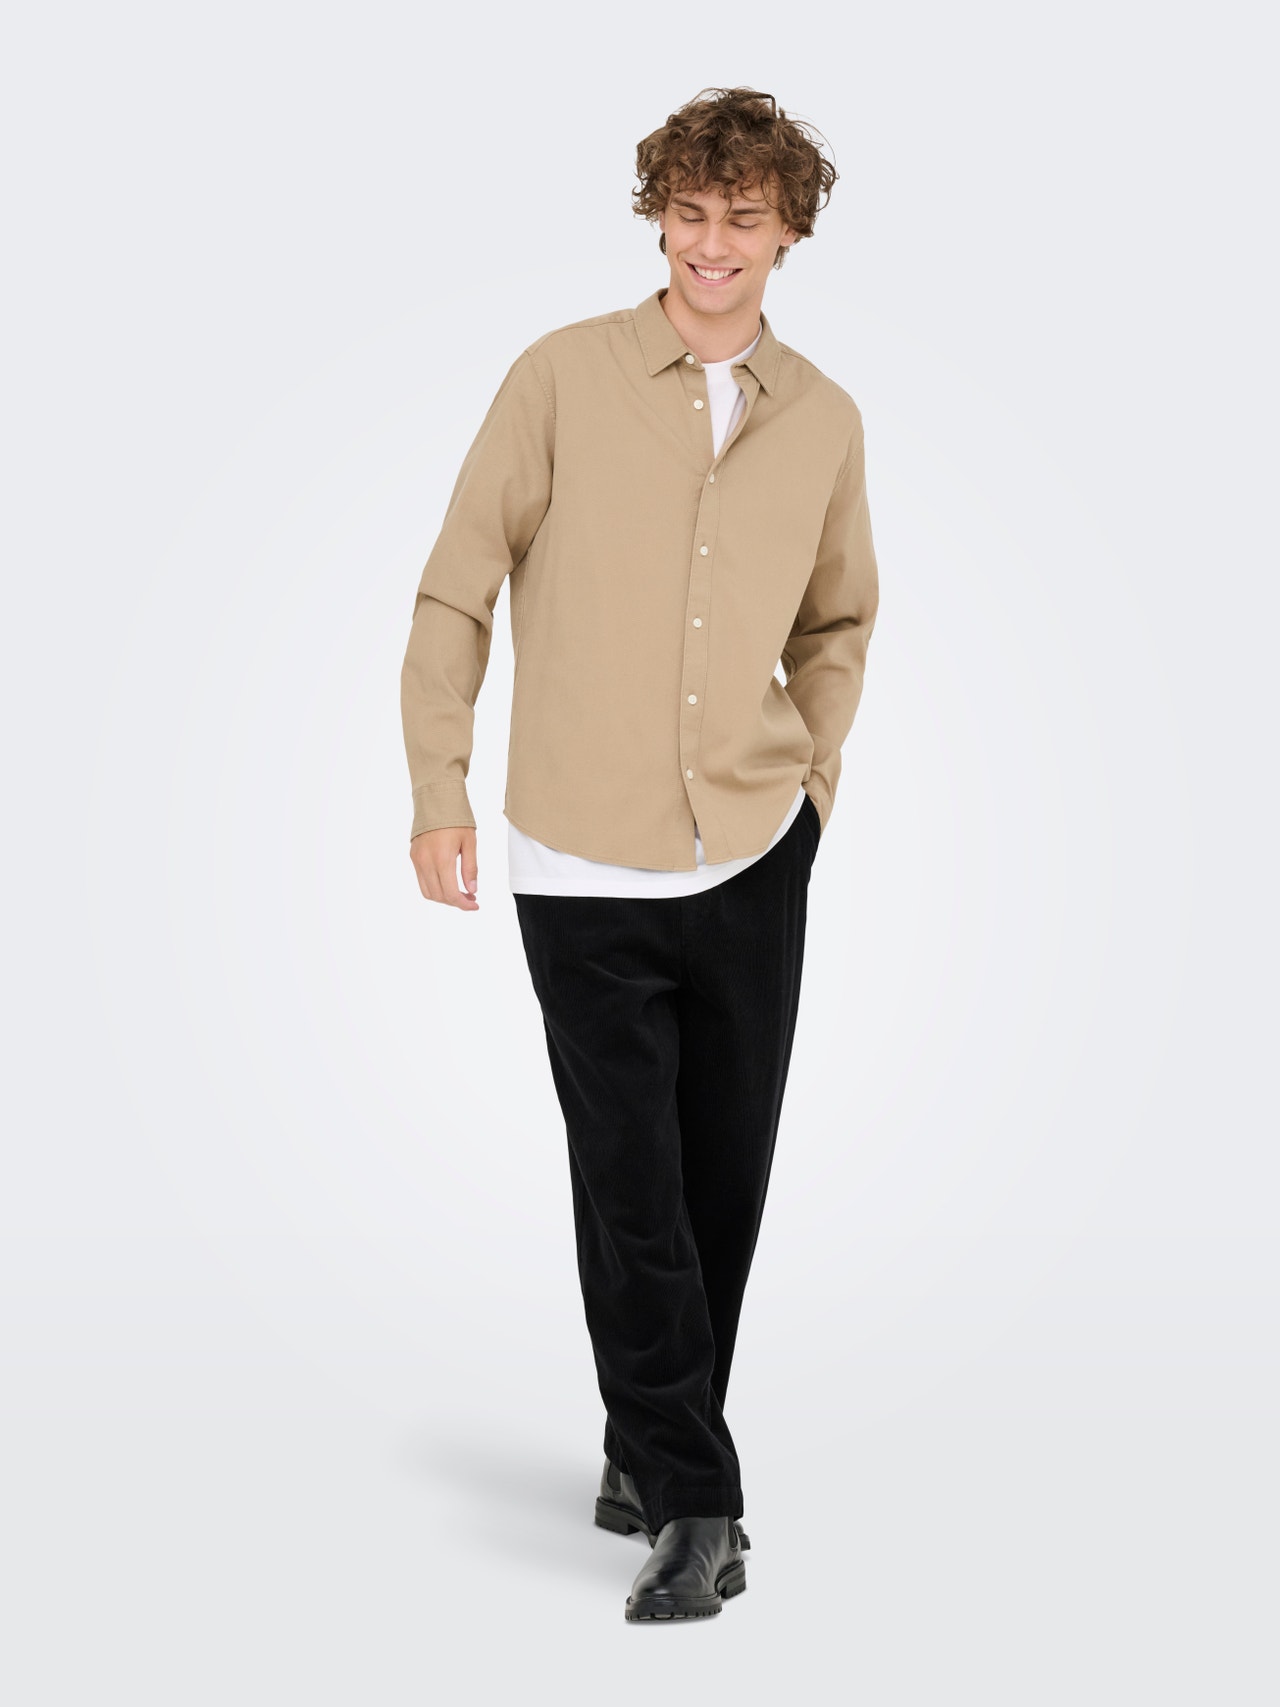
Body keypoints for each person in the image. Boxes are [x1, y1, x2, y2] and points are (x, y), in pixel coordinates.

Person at [400, 85, 879, 1622]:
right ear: (656, 217)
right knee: (631, 1190)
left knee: (719, 1188)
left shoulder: (824, 420)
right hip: (581, 860)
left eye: (744, 216)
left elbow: (839, 623)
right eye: (688, 210)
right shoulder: (558, 378)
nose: (710, 242)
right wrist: (438, 786)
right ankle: (698, 1505)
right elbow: (457, 585)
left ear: (788, 232)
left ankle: (640, 1448)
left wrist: (812, 795)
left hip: (752, 852)